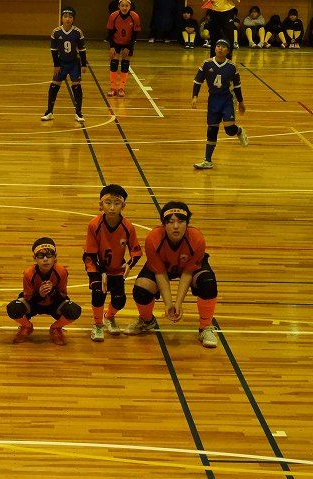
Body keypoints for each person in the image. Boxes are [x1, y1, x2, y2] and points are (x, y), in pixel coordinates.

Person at [124, 202, 219, 349]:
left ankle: (205, 327)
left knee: (208, 282)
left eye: (180, 221)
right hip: (163, 268)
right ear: (164, 224)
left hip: (187, 267)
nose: (176, 226)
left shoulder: (197, 239)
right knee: (141, 288)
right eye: (170, 222)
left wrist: (178, 303)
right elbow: (160, 273)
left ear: (187, 223)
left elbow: (187, 273)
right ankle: (147, 321)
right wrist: (168, 304)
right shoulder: (153, 239)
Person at [83, 184, 142, 342]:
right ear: (101, 205)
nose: (112, 207)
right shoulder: (94, 225)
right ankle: (97, 325)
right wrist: (101, 271)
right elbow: (90, 253)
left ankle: (108, 316)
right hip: (96, 266)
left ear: (123, 206)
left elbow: (136, 251)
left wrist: (129, 263)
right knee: (98, 294)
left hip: (116, 269)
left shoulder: (128, 227)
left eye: (117, 203)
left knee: (119, 300)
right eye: (108, 203)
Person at [7, 238, 82, 346]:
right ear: (34, 258)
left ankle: (56, 328)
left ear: (55, 257)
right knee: (13, 308)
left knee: (74, 310)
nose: (45, 259)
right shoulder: (28, 274)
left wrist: (52, 292)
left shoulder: (61, 271)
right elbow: (28, 297)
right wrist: (40, 295)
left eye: (49, 255)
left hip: (54, 303)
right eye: (41, 255)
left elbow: (63, 296)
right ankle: (27, 326)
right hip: (34, 304)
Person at [192, 38, 248, 170]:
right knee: (212, 131)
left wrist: (241, 102)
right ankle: (207, 160)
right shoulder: (206, 64)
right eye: (218, 46)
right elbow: (198, 81)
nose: (220, 48)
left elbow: (237, 86)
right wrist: (194, 97)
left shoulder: (232, 67)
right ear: (214, 48)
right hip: (213, 101)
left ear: (228, 51)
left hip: (227, 100)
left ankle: (239, 130)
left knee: (229, 130)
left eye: (223, 47)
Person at [40, 6, 87, 123]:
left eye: (70, 17)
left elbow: (82, 50)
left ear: (73, 19)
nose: (67, 19)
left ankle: (78, 113)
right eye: (65, 16)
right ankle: (49, 112)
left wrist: (83, 64)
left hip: (74, 63)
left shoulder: (77, 32)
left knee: (76, 86)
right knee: (54, 85)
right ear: (61, 18)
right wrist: (56, 65)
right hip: (61, 63)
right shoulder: (56, 32)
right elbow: (53, 50)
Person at [106, 0, 141, 97]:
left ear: (130, 7)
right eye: (122, 5)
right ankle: (113, 88)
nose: (124, 8)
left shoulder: (135, 17)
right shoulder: (113, 16)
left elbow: (135, 34)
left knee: (125, 64)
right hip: (116, 42)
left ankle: (121, 88)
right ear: (119, 6)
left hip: (128, 43)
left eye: (127, 6)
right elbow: (110, 33)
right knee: (114, 63)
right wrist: (111, 47)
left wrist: (129, 48)